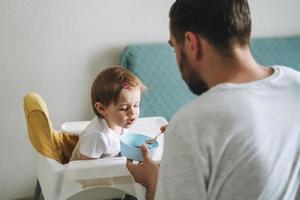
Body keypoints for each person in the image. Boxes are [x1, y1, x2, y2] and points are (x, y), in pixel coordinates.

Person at [126, 0, 300, 199]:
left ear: (191, 44)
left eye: (175, 48)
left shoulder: (191, 124)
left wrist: (153, 181)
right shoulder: (296, 84)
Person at [70, 66, 146, 161]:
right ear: (101, 108)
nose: (133, 112)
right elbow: (84, 170)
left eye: (136, 105)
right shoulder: (97, 136)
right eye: (124, 108)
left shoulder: (119, 121)